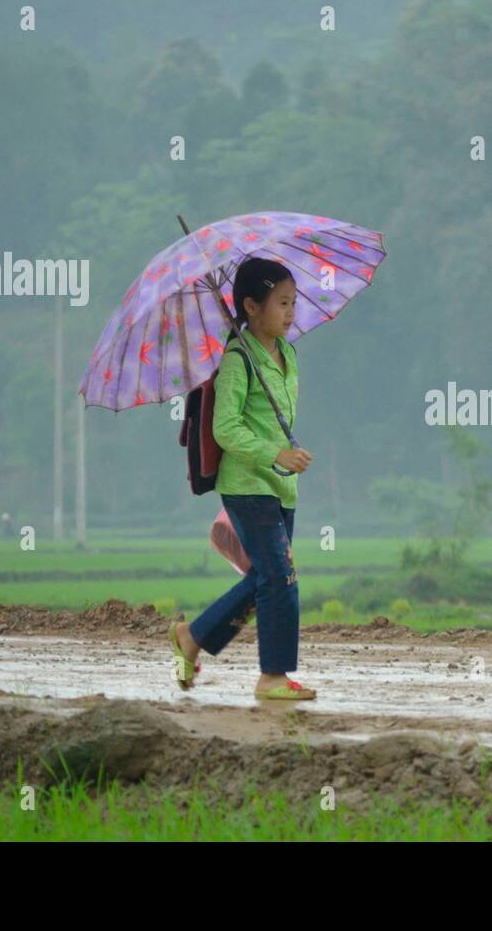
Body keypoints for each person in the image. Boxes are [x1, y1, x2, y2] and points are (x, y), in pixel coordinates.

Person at [169, 257, 316, 700]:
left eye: (294, 302)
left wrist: (285, 459)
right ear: (251, 307)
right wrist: (277, 453)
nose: (291, 313)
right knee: (281, 578)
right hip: (247, 488)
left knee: (267, 580)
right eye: (281, 303)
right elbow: (226, 429)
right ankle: (273, 676)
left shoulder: (286, 352)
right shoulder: (238, 360)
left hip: (280, 486)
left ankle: (191, 637)